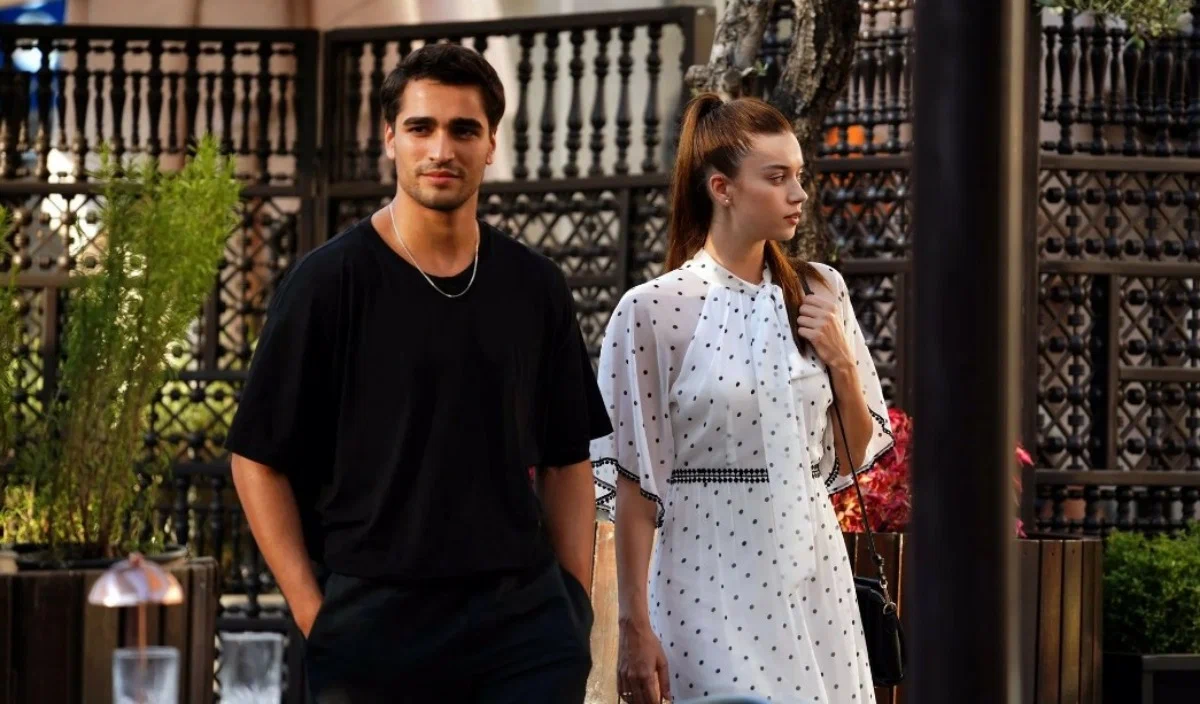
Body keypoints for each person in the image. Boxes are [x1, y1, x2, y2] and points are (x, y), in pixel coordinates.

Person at [226, 43, 611, 703]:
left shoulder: (534, 285)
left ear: (490, 145)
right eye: (420, 127)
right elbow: (257, 459)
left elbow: (565, 457)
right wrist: (316, 615)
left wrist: (573, 609)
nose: (441, 149)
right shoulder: (330, 282)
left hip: (524, 629)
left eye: (463, 130)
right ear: (390, 139)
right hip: (375, 626)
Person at [590, 93, 894, 704]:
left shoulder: (821, 290)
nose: (798, 194)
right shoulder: (651, 310)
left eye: (799, 175)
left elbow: (851, 455)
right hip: (702, 578)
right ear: (722, 188)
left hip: (814, 576)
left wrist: (840, 362)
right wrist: (632, 627)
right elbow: (635, 486)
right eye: (777, 177)